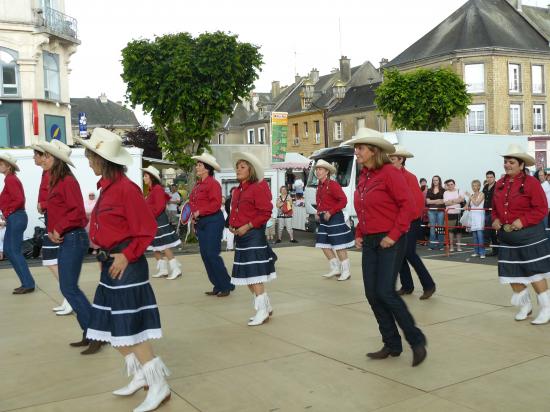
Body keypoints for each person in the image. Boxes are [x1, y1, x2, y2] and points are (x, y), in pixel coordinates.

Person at [77, 128, 171, 412]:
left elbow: (147, 230)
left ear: (103, 159)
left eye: (91, 155)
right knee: (108, 327)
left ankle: (159, 385)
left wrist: (126, 256)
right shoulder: (108, 187)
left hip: (126, 268)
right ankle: (141, 376)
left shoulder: (126, 190)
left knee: (132, 331)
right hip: (110, 265)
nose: (88, 160)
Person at [344, 128, 426, 367]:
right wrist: (359, 232)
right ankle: (391, 343)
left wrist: (393, 234)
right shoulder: (364, 176)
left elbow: (408, 206)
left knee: (385, 292)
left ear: (374, 150)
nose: (356, 152)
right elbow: (363, 209)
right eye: (356, 148)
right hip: (370, 240)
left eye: (360, 148)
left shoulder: (389, 173)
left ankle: (416, 340)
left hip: (391, 239)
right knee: (372, 293)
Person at [38, 140, 103, 355]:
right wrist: (53, 229)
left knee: (69, 288)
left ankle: (95, 332)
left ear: (57, 160)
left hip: (73, 237)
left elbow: (76, 213)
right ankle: (90, 331)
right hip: (68, 238)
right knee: (69, 287)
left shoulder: (66, 181)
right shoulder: (57, 181)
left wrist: (59, 228)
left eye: (47, 156)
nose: (43, 158)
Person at [491, 144, 550, 325]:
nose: (507, 165)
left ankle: (547, 309)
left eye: (511, 162)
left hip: (530, 237)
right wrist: (494, 219)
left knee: (535, 274)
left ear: (521, 165)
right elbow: (494, 209)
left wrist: (522, 221)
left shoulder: (532, 183)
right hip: (507, 238)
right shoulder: (500, 184)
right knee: (511, 274)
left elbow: (542, 209)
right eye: (505, 162)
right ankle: (525, 306)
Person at [229, 152, 277, 326]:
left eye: (242, 167)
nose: (238, 170)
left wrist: (247, 226)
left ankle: (262, 310)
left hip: (253, 237)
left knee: (254, 276)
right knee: (248, 277)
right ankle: (265, 306)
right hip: (241, 238)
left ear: (251, 170)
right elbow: (236, 211)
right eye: (237, 167)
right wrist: (232, 225)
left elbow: (265, 212)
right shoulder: (238, 189)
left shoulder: (259, 186)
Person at [389, 146, 436, 300]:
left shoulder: (410, 177)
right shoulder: (390, 176)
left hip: (410, 221)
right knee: (399, 254)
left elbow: (417, 202)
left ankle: (429, 285)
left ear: (401, 160)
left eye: (392, 159)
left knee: (409, 253)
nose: (389, 161)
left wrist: (407, 221)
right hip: (397, 221)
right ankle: (407, 286)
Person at [32, 144, 72, 314]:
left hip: (56, 221)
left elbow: (60, 200)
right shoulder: (47, 173)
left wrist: (44, 204)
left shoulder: (54, 174)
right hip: (51, 218)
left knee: (52, 260)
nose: (35, 157)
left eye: (37, 155)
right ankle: (67, 297)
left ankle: (70, 296)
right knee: (53, 260)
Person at [189, 152, 234, 297]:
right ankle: (217, 285)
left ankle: (226, 285)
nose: (197, 167)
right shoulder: (197, 185)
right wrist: (193, 214)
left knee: (212, 254)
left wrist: (199, 212)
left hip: (213, 221)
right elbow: (193, 202)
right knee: (205, 255)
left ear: (207, 168)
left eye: (199, 165)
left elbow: (215, 205)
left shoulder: (213, 184)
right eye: (197, 164)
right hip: (202, 222)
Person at [0, 152, 36, 294]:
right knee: (10, 250)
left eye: (1, 164)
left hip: (16, 217)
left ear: (8, 166)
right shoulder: (10, 179)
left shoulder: (10, 180)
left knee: (12, 250)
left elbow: (19, 200)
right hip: (15, 217)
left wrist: (7, 213)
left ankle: (28, 283)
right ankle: (26, 282)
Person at [314, 159, 355, 281]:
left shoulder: (333, 184)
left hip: (335, 218)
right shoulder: (320, 186)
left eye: (320, 169)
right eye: (317, 169)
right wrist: (318, 212)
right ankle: (335, 268)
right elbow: (320, 202)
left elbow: (343, 200)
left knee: (339, 245)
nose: (317, 171)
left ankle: (346, 271)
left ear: (327, 172)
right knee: (322, 244)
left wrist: (331, 212)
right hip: (324, 219)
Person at [142, 166, 182, 280]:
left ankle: (176, 269)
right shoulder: (151, 190)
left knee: (164, 246)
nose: (143, 178)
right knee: (155, 247)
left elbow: (160, 207)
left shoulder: (157, 189)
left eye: (145, 176)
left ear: (151, 178)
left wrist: (149, 216)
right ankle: (163, 270)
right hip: (153, 222)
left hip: (159, 221)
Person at [443, 179, 465, 252]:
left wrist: (451, 201)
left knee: (458, 231)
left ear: (454, 184)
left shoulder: (459, 191)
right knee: (451, 231)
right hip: (449, 214)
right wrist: (456, 200)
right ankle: (451, 246)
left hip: (458, 213)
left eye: (451, 184)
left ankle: (458, 246)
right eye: (448, 185)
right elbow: (446, 203)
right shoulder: (445, 192)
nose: (450, 186)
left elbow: (462, 200)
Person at [466, 180, 486, 258]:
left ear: (479, 186)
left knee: (480, 235)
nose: (474, 187)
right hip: (472, 216)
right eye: (473, 186)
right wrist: (467, 205)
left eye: (476, 185)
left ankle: (482, 252)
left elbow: (477, 203)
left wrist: (470, 197)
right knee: (474, 236)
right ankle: (476, 251)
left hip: (479, 216)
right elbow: (467, 205)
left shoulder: (482, 194)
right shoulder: (472, 195)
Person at [425, 176, 445, 250]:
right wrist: (438, 200)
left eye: (436, 180)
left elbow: (443, 201)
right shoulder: (429, 190)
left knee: (440, 228)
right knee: (432, 228)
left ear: (439, 181)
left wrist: (433, 201)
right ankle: (432, 246)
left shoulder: (443, 190)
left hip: (441, 211)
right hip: (431, 211)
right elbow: (427, 201)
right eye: (433, 180)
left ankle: (440, 246)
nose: (435, 181)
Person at [483, 171, 498, 256]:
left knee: (488, 223)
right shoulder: (485, 187)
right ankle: (495, 250)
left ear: (494, 177)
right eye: (487, 177)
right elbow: (481, 197)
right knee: (492, 232)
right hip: (486, 210)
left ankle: (486, 240)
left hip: (494, 210)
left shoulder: (498, 186)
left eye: (491, 177)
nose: (489, 179)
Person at [536, 168, 550, 239]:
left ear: (545, 176)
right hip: (540, 211)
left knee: (545, 228)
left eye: (541, 175)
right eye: (539, 175)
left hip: (544, 211)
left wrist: (547, 210)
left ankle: (547, 245)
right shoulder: (540, 185)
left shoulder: (546, 186)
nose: (540, 177)